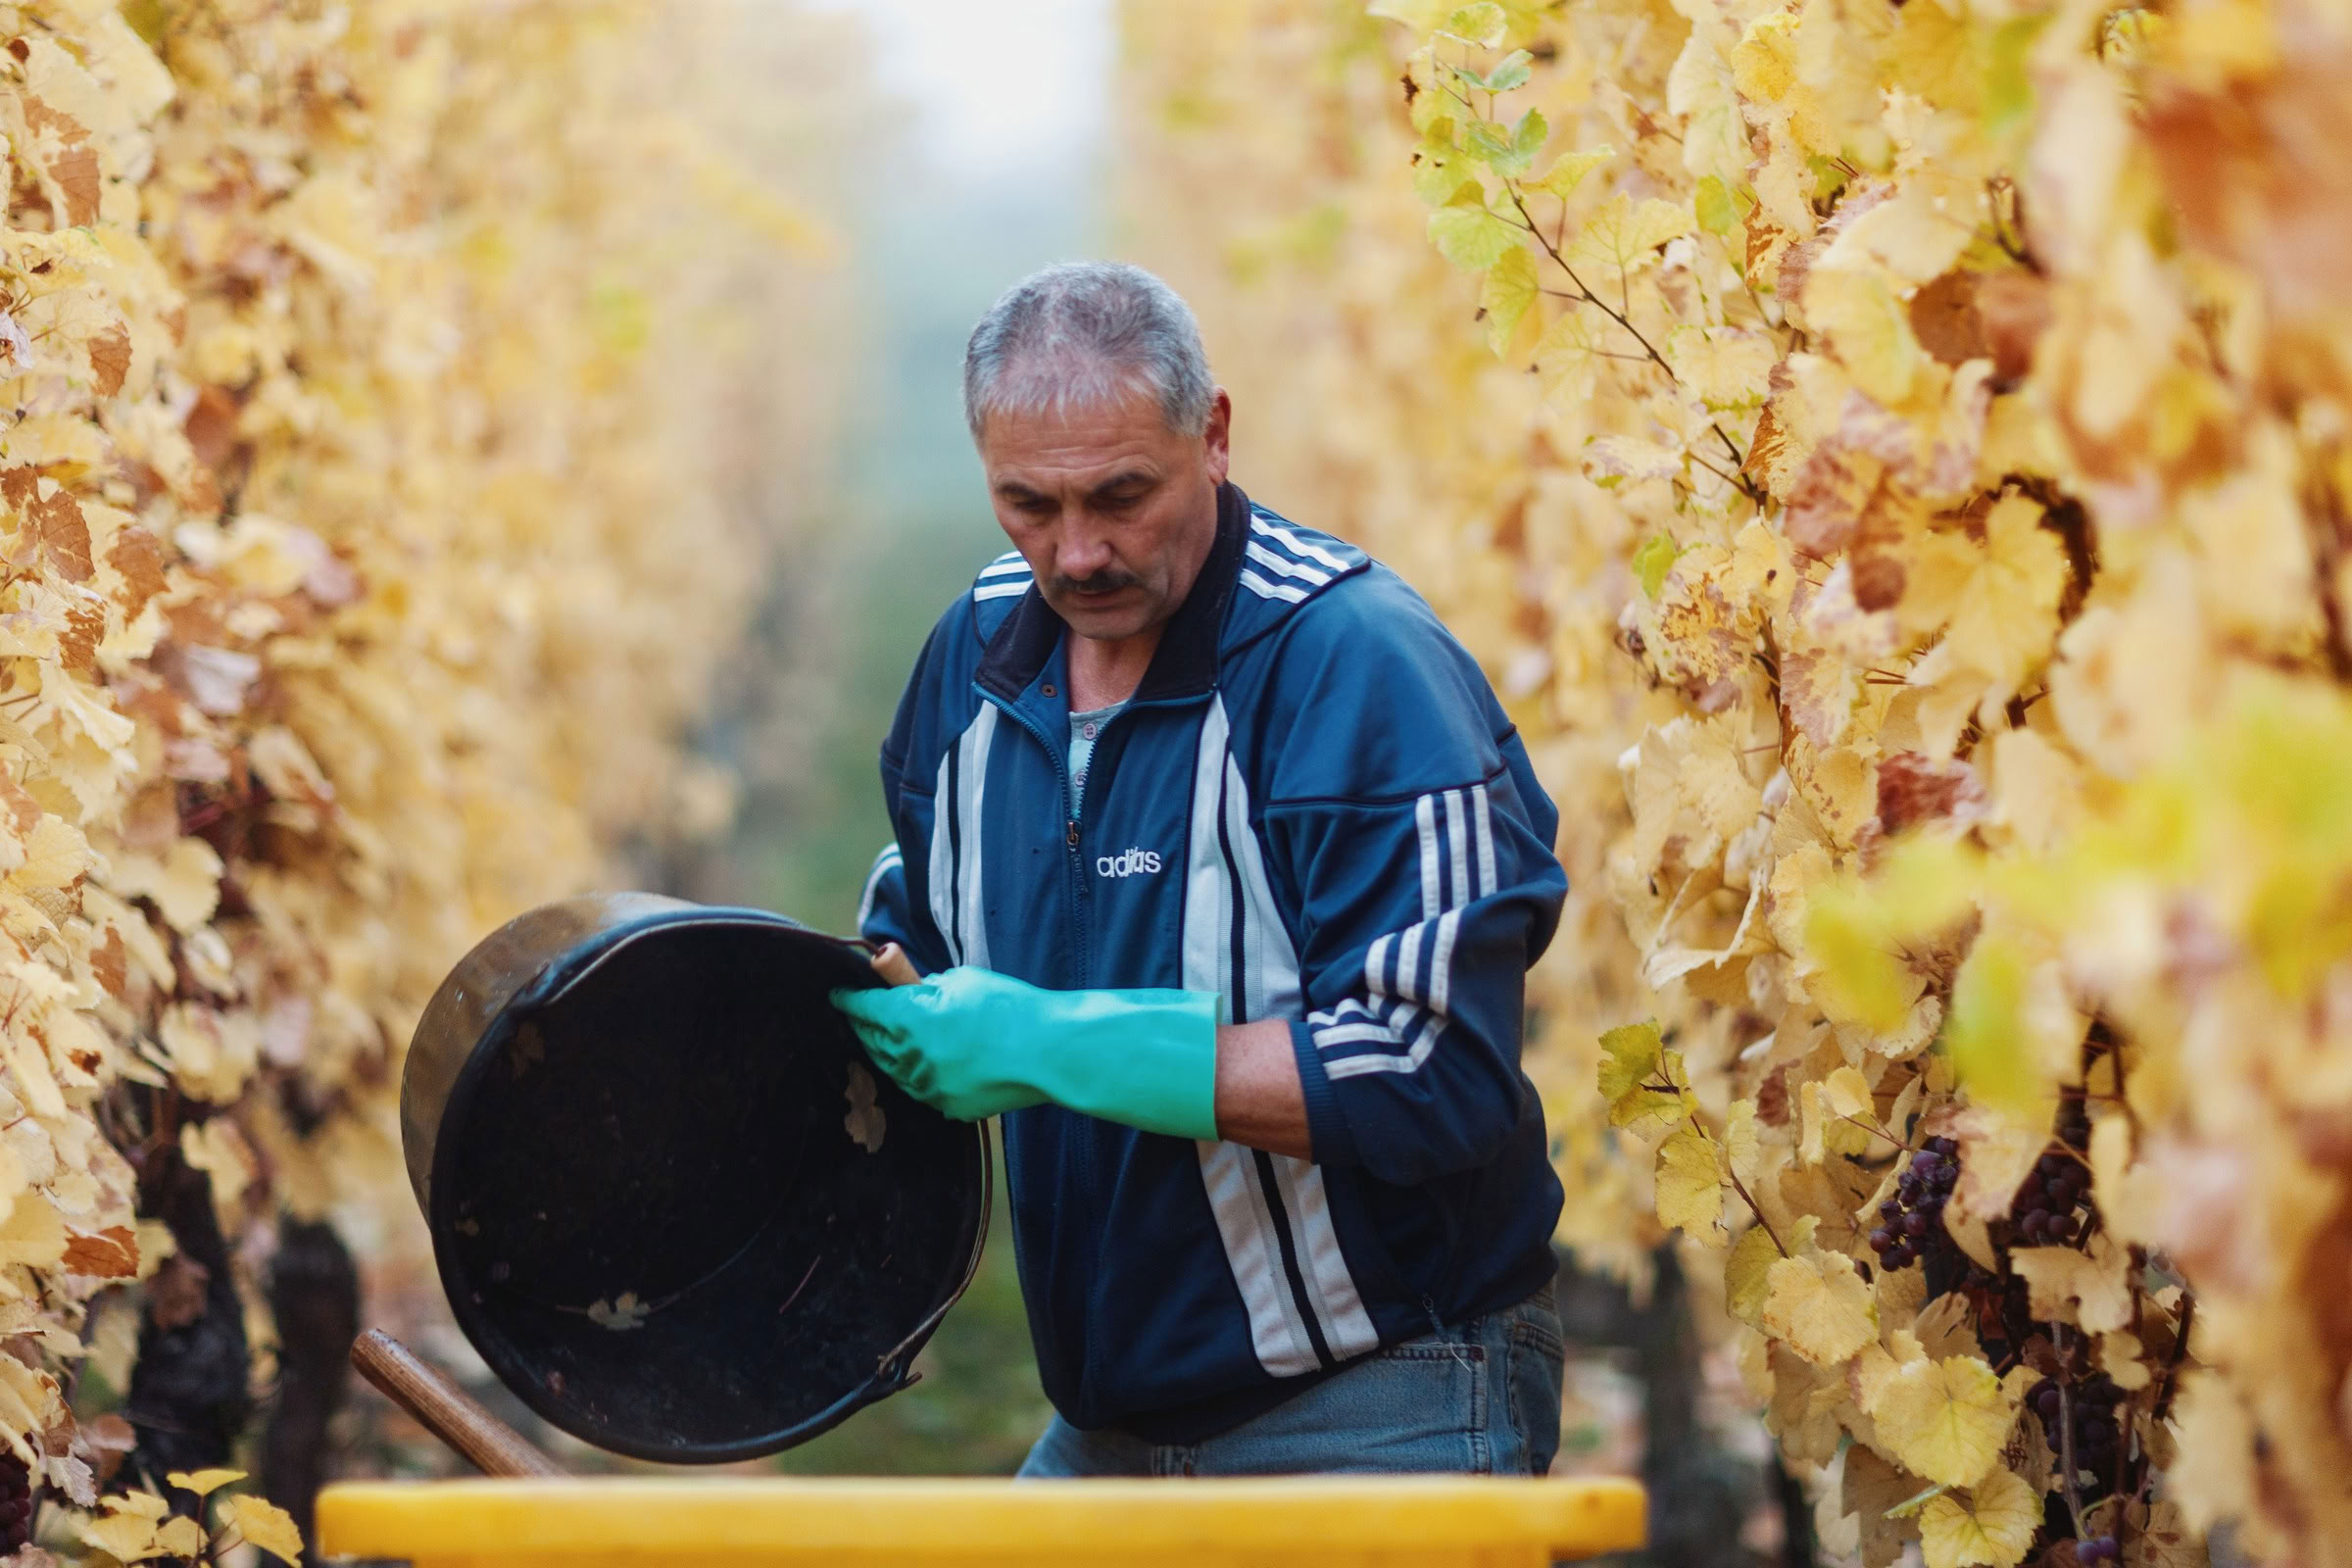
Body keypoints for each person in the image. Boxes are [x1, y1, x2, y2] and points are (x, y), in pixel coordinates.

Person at [833, 261, 1569, 1478]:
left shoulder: (1354, 667)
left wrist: (1058, 1042)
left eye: (1122, 495)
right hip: (1110, 1422)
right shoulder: (969, 664)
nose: (1076, 555)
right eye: (1028, 505)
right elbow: (927, 928)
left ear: (1213, 434)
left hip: (1381, 1392)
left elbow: (1437, 1069)